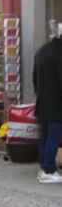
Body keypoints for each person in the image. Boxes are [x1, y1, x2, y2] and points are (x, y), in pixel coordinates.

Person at [33, 33, 62, 183]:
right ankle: (48, 169)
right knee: (53, 135)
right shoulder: (59, 53)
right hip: (57, 102)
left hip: (43, 101)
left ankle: (44, 168)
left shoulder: (42, 50)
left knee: (45, 135)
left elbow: (34, 77)